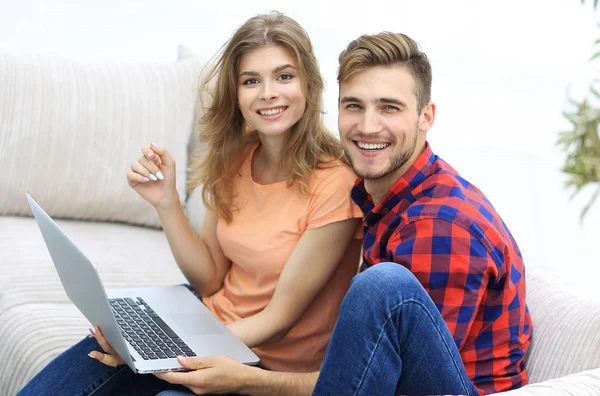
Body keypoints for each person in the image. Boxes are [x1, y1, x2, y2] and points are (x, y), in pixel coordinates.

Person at [151, 32, 533, 396]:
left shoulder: (437, 226)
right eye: (354, 105)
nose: (368, 126)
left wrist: (245, 380)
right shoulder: (382, 197)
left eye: (389, 107)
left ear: (426, 116)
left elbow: (391, 384)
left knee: (382, 285)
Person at [18, 11, 363, 395]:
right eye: (251, 81)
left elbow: (279, 319)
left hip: (257, 364)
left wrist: (170, 347)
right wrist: (166, 203)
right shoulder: (235, 157)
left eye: (284, 76)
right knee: (82, 362)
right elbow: (211, 278)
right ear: (236, 93)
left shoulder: (336, 182)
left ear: (309, 85)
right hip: (206, 319)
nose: (268, 92)